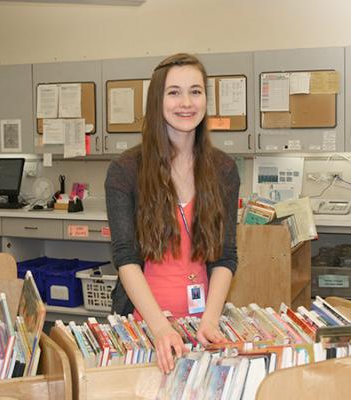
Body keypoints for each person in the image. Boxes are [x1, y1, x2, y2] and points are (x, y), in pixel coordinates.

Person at [105, 53, 240, 373]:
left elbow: (226, 256)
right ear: (157, 100)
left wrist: (209, 319)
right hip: (143, 327)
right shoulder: (126, 170)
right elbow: (125, 257)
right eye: (174, 92)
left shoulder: (223, 169)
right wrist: (161, 328)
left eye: (196, 91)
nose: (186, 102)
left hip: (202, 327)